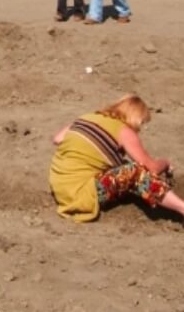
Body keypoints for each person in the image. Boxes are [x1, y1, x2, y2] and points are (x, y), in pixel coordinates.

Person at [48, 95, 184, 223]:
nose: (139, 128)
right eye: (141, 123)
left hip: (60, 186)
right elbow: (151, 168)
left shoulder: (87, 117)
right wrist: (165, 163)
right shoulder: (124, 131)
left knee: (121, 166)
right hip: (81, 195)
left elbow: (57, 139)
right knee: (135, 171)